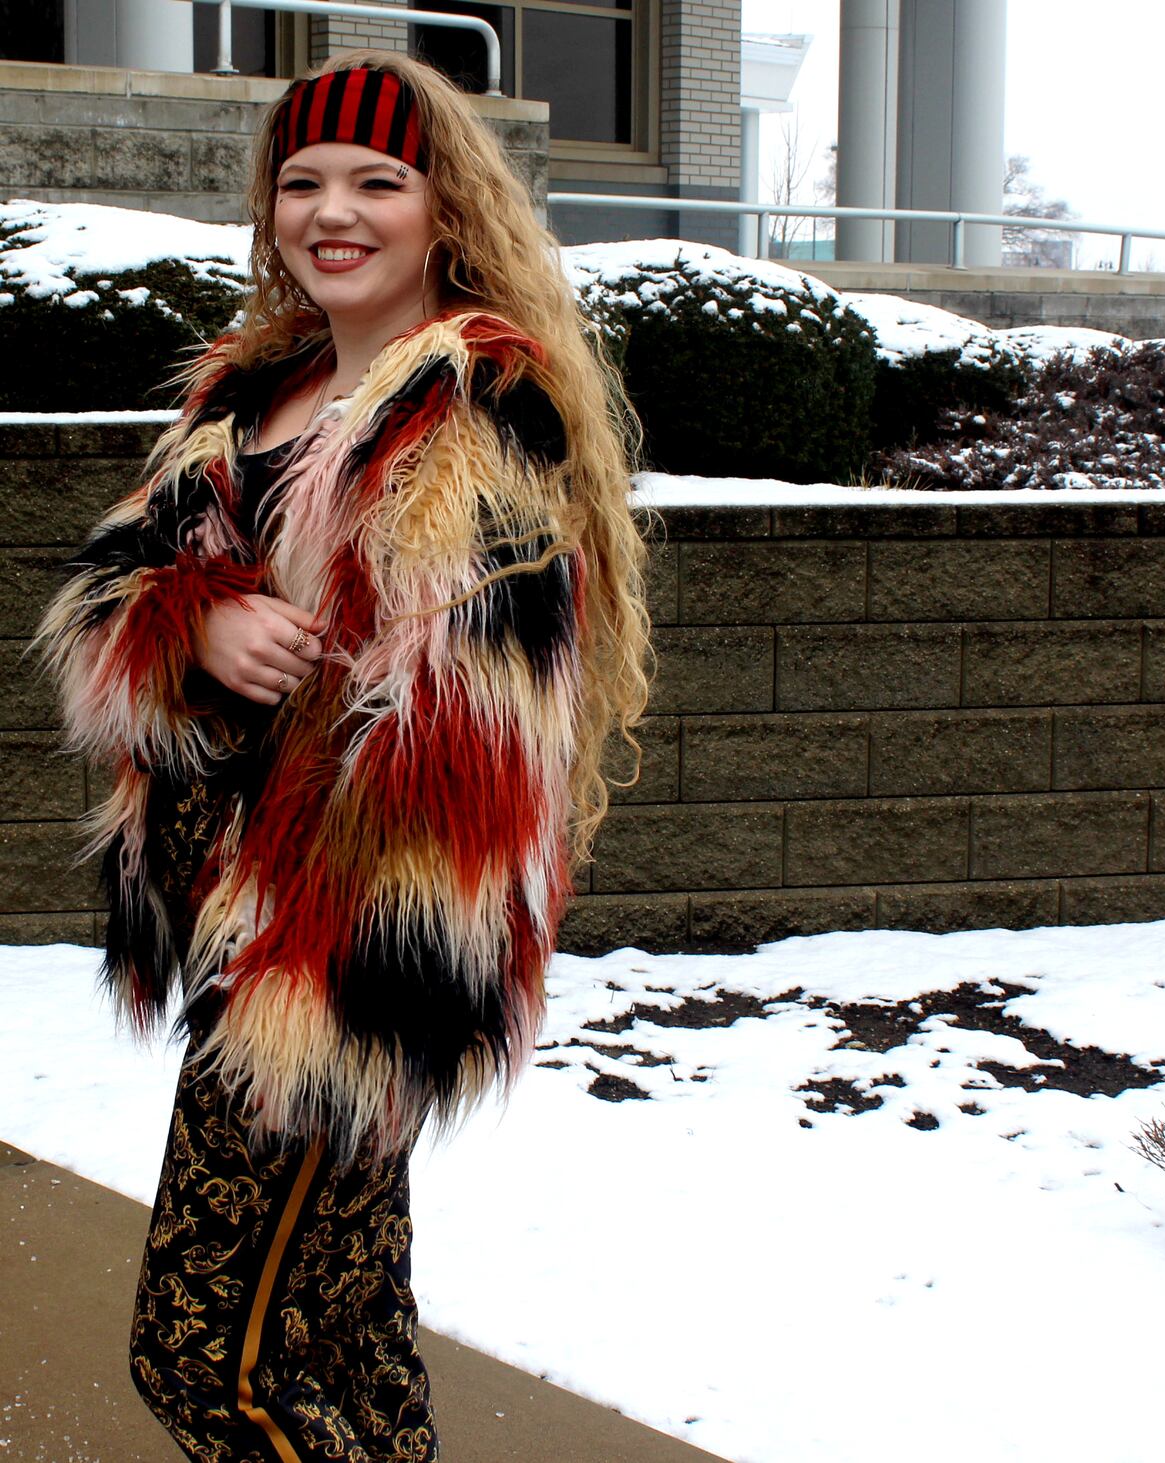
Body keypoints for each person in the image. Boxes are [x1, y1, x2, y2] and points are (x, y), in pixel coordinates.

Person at [34, 50, 649, 1461]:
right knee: (340, 1327)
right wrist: (191, 626)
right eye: (302, 182)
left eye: (378, 180)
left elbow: (474, 753)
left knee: (205, 1359)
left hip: (335, 962)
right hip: (231, 926)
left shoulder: (483, 419)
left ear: (444, 208)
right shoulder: (250, 396)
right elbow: (106, 593)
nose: (334, 211)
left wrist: (322, 971)